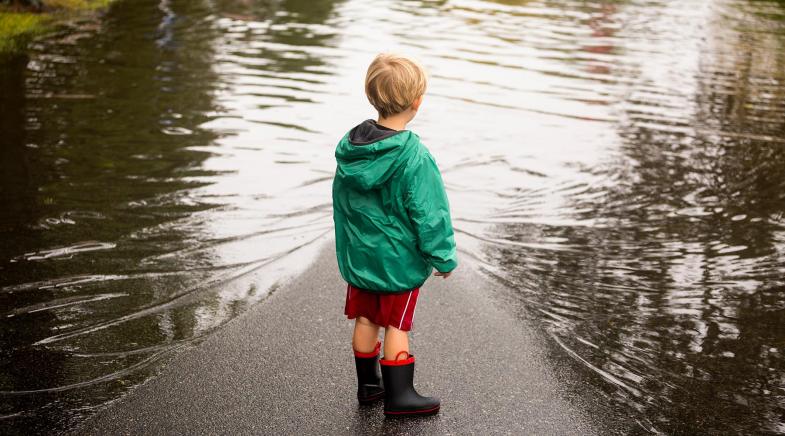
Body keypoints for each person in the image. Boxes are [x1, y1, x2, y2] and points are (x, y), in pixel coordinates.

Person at [332, 53, 458, 417]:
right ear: (417, 102)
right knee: (396, 324)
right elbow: (430, 213)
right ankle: (400, 396)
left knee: (366, 318)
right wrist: (443, 257)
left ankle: (368, 387)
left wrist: (351, 244)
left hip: (362, 257)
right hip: (397, 263)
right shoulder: (414, 157)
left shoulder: (352, 150)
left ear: (372, 95)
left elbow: (343, 203)